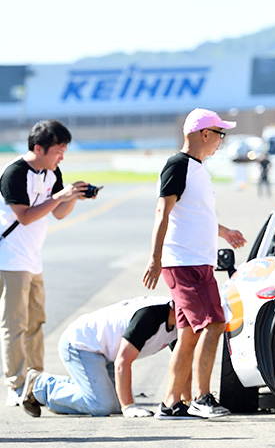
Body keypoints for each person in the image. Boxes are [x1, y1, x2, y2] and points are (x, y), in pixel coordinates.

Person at [142, 108, 247, 419]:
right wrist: (155, 258)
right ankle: (202, 397)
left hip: (197, 262)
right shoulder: (178, 165)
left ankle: (170, 402)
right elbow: (162, 212)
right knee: (214, 323)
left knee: (189, 334)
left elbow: (196, 215)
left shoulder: (197, 169)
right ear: (205, 134)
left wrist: (224, 232)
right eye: (220, 134)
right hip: (184, 263)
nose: (221, 140)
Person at [0, 119, 93, 408]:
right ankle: (16, 385)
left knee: (36, 322)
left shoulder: (52, 172)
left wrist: (72, 197)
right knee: (14, 324)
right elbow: (25, 216)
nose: (61, 156)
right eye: (58, 150)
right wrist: (58, 197)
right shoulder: (15, 173)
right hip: (10, 258)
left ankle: (35, 380)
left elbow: (59, 213)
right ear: (38, 148)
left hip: (33, 258)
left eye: (64, 150)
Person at [20, 296, 178, 418]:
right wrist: (129, 407)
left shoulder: (180, 323)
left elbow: (181, 362)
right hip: (82, 344)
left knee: (116, 406)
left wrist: (184, 402)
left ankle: (76, 393)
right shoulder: (150, 316)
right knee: (102, 406)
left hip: (107, 353)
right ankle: (41, 385)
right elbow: (123, 362)